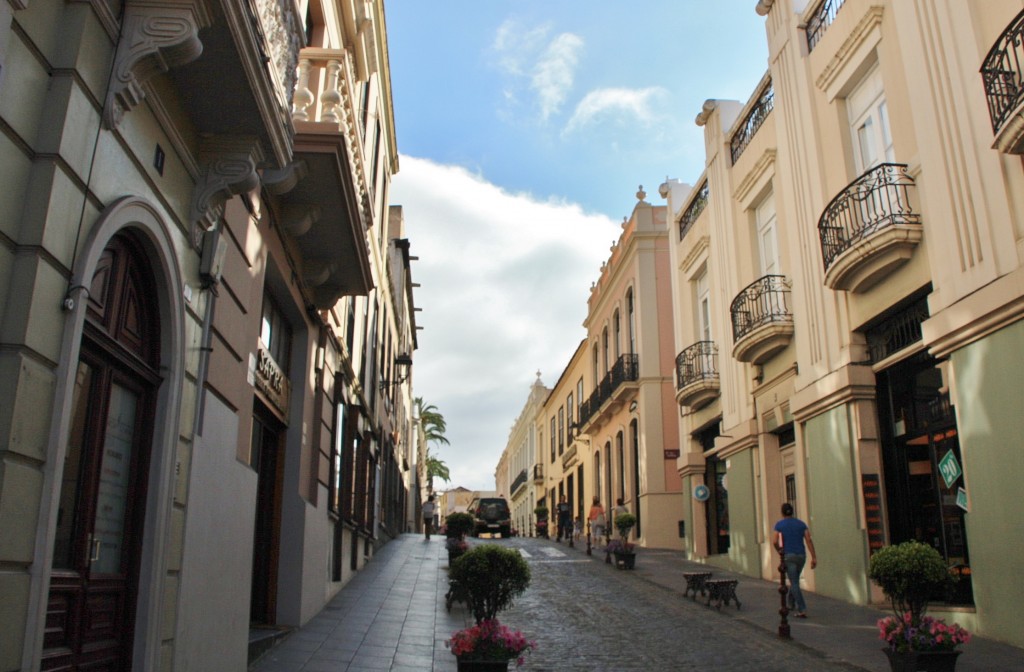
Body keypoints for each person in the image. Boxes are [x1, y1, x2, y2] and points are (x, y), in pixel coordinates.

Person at [773, 502, 817, 618]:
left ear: (782, 513)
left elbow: (774, 541)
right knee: (795, 579)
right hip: (801, 556)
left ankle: (802, 608)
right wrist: (813, 557)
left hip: (788, 556)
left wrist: (780, 551)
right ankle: (790, 603)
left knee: (794, 583)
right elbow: (808, 540)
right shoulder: (801, 524)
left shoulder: (779, 525)